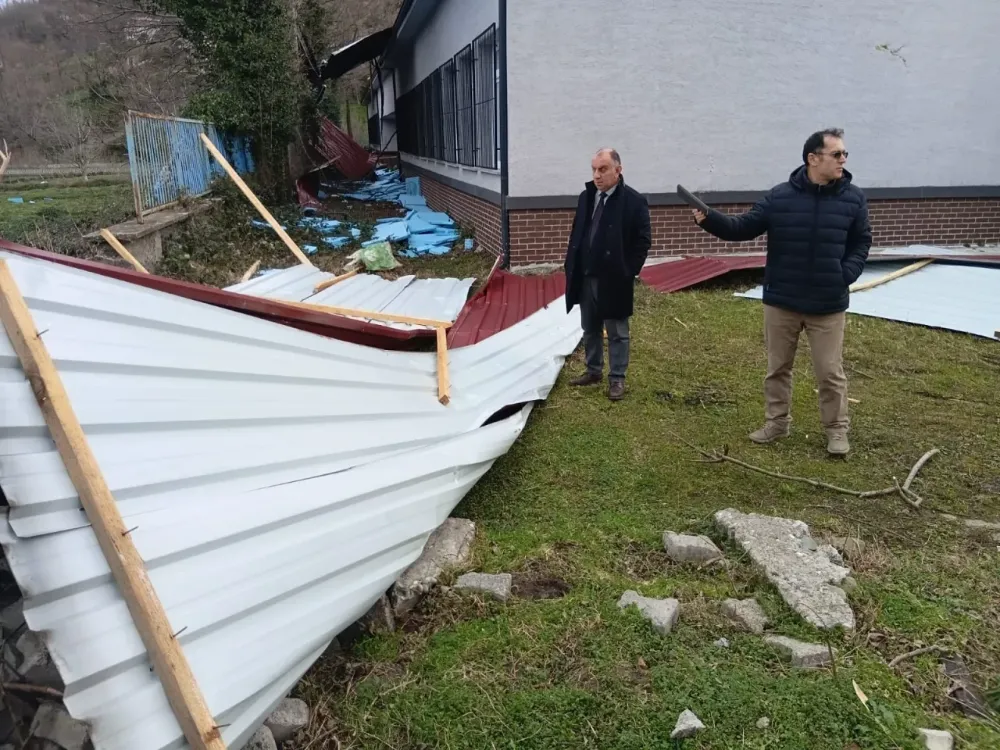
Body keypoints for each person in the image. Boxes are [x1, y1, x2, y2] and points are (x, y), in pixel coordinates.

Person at [692, 128, 871, 455]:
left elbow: (861, 243)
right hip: (782, 301)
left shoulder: (853, 199)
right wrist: (709, 219)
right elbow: (743, 227)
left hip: (827, 304)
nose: (843, 160)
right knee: (777, 369)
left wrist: (844, 275)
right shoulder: (780, 197)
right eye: (836, 154)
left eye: (845, 154)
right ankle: (776, 423)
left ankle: (836, 430)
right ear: (813, 159)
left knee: (830, 373)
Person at [564, 148, 651, 401]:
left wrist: (628, 271)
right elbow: (577, 232)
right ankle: (593, 370)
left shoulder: (634, 201)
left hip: (614, 279)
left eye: (602, 169)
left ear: (618, 170)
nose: (596, 175)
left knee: (617, 331)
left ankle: (617, 378)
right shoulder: (586, 197)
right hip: (586, 275)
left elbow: (643, 242)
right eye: (594, 169)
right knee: (590, 327)